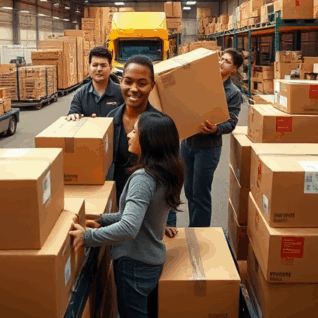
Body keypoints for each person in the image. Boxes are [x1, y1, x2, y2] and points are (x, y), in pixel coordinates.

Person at [69, 112, 185, 318]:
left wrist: (87, 237)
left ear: (150, 140)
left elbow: (129, 227)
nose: (129, 135)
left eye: (135, 131)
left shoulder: (143, 179)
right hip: (151, 261)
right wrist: (101, 220)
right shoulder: (166, 172)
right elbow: (142, 219)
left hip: (134, 266)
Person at [167, 48, 243, 229]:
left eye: (227, 61)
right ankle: (194, 227)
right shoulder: (203, 83)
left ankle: (200, 232)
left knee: (201, 192)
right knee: (189, 190)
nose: (221, 62)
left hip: (208, 148)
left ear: (234, 69)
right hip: (187, 143)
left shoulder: (233, 93)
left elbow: (231, 123)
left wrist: (216, 128)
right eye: (221, 58)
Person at [106, 55, 163, 202]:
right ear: (121, 82)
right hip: (116, 205)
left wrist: (168, 220)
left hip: (150, 206)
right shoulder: (110, 120)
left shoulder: (161, 125)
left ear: (152, 86)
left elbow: (170, 175)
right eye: (128, 82)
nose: (134, 89)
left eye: (142, 83)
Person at [67, 46, 124, 121]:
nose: (99, 69)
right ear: (89, 68)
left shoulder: (121, 93)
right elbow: (73, 112)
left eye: (103, 65)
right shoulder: (80, 95)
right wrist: (73, 115)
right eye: (95, 65)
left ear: (110, 68)